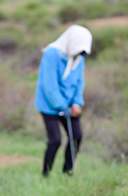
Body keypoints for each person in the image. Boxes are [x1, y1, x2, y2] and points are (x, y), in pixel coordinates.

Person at [34, 24, 92, 176]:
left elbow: (79, 81)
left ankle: (67, 170)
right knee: (55, 140)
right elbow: (49, 85)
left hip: (69, 105)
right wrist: (60, 106)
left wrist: (76, 103)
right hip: (49, 105)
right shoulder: (52, 54)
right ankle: (45, 174)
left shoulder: (79, 56)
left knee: (77, 136)